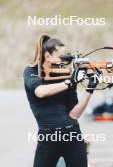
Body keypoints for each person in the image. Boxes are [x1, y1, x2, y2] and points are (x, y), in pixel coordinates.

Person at [23, 35, 98, 167]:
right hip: (48, 136)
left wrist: (90, 90)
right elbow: (40, 92)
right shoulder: (31, 71)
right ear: (47, 56)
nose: (65, 61)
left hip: (72, 134)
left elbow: (74, 114)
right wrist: (69, 82)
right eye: (61, 56)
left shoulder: (66, 74)